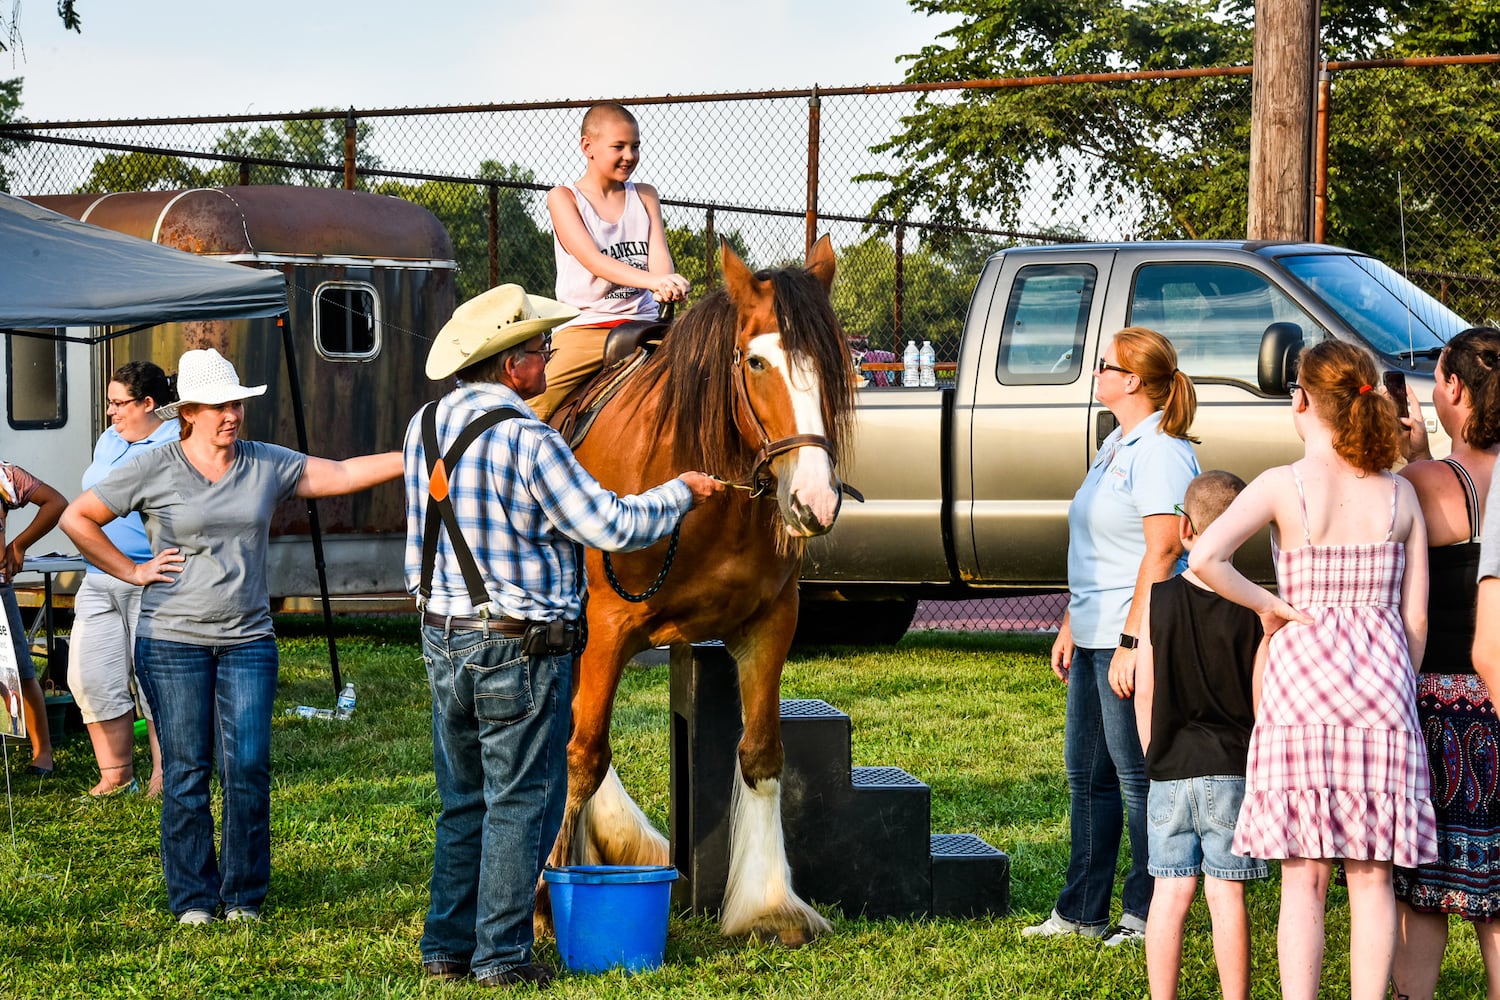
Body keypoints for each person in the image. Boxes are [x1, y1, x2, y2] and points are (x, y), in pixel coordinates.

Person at [407, 283, 722, 987]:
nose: (548, 357)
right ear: (513, 365)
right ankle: (500, 959)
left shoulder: (423, 426)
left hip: (442, 636)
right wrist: (682, 493)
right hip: (520, 647)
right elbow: (609, 525)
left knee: (463, 803)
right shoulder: (528, 438)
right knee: (522, 802)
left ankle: (444, 951)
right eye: (540, 349)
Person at [59, 347, 403, 925]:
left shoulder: (264, 462)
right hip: (171, 640)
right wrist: (134, 570)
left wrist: (414, 455)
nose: (232, 415)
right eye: (219, 405)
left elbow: (341, 474)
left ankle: (243, 897)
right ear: (188, 411)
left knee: (246, 767)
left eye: (237, 404)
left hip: (248, 641)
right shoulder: (155, 465)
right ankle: (194, 899)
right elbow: (77, 517)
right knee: (188, 770)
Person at [1189, 338, 1436, 1000]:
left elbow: (1204, 560)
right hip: (1382, 698)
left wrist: (1271, 606)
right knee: (1372, 874)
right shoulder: (1399, 497)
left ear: (1300, 399)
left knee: (1304, 875)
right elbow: (1415, 622)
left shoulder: (1282, 485)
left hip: (1300, 692)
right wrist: (1391, 677)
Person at [1025, 327, 1200, 946]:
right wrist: (1074, 620)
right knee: (1087, 775)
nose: (1093, 373)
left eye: (1103, 366)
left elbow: (1162, 552)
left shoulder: (1161, 451)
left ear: (1132, 380)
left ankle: (1148, 912)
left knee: (1136, 776)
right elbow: (1099, 545)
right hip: (1096, 629)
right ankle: (1081, 911)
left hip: (1135, 637)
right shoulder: (1114, 444)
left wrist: (1131, 642)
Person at [1391, 328, 1500, 1000]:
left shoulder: (1419, 483)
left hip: (1438, 707)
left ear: (1454, 388)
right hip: (1497, 697)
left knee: (1423, 896)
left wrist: (1411, 460)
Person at [1134, 469, 1266, 1000]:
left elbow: (1146, 689)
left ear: (1185, 528)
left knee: (1169, 891)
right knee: (1225, 894)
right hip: (1233, 769)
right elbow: (1261, 699)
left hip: (1169, 768)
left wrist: (1154, 755)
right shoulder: (1255, 606)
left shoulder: (1158, 600)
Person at [529, 101, 690, 421]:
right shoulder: (563, 197)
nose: (629, 155)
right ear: (587, 146)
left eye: (635, 146)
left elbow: (659, 256)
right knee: (533, 406)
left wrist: (667, 283)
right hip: (586, 329)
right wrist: (653, 281)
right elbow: (593, 260)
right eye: (619, 146)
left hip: (647, 325)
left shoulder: (644, 195)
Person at [69, 362, 178, 798]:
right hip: (99, 576)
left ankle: (164, 776)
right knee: (91, 675)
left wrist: (144, 570)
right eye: (109, 403)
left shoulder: (173, 442)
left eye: (119, 403)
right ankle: (115, 776)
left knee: (154, 681)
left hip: (150, 577)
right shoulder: (109, 439)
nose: (111, 412)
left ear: (148, 404)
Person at [0, 460, 65, 776]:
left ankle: (43, 753)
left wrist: (19, 544)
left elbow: (56, 503)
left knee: (19, 671)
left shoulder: (5, 475)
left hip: (0, 589)